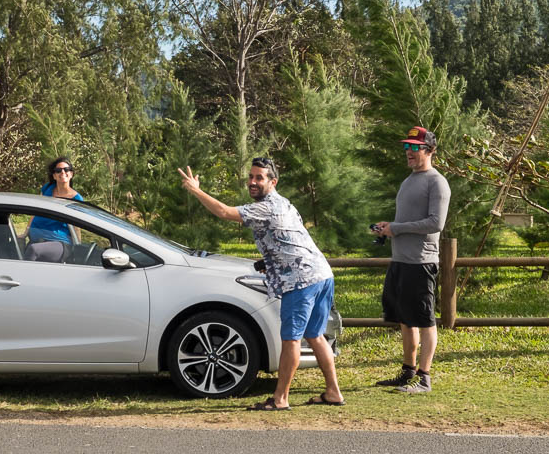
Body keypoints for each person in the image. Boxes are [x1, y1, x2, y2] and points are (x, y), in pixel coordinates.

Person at [178, 158, 344, 410]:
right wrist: (271, 261)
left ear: (272, 182)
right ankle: (333, 392)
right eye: (251, 177)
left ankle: (280, 399)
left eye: (259, 178)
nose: (252, 182)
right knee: (315, 335)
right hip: (321, 274)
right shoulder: (283, 203)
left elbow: (224, 212)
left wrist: (196, 190)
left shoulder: (266, 207)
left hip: (300, 280)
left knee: (291, 339)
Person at [372, 126, 451, 394]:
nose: (409, 152)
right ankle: (408, 372)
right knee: (405, 319)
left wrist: (398, 227)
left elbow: (436, 223)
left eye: (415, 147)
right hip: (400, 261)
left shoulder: (436, 181)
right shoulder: (409, 180)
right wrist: (388, 226)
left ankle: (424, 378)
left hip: (421, 262)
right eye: (407, 147)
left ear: (429, 150)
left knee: (425, 320)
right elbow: (405, 221)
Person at [20, 157, 84, 244]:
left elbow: (76, 227)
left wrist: (78, 248)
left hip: (58, 242)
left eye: (66, 169)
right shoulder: (47, 188)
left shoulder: (76, 199)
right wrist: (25, 233)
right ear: (54, 176)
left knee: (34, 251)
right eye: (58, 170)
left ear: (71, 174)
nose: (62, 172)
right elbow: (35, 212)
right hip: (35, 239)